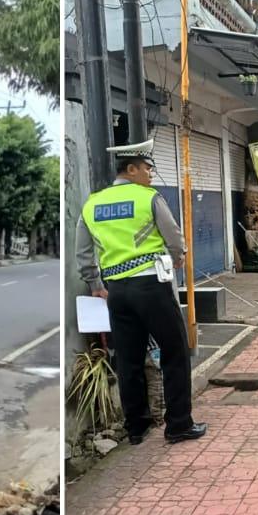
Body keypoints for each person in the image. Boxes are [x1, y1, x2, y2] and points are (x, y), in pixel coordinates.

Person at [75, 139, 207, 445]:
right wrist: (178, 255)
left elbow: (83, 252)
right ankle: (178, 425)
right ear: (131, 169)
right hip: (152, 287)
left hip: (116, 292)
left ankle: (137, 428)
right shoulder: (148, 198)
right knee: (175, 353)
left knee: (129, 359)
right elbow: (173, 235)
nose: (151, 174)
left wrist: (95, 284)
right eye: (147, 168)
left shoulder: (92, 204)